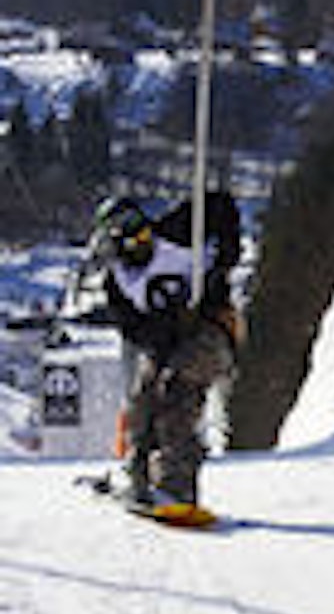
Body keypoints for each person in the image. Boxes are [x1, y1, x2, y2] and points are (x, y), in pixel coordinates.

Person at [90, 193, 241, 508]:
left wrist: (224, 257)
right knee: (143, 401)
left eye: (144, 233)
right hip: (167, 341)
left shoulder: (176, 231)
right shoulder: (118, 283)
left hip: (211, 328)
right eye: (132, 242)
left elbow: (222, 205)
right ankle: (138, 472)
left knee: (178, 392)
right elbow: (132, 328)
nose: (143, 244)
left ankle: (177, 484)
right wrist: (158, 331)